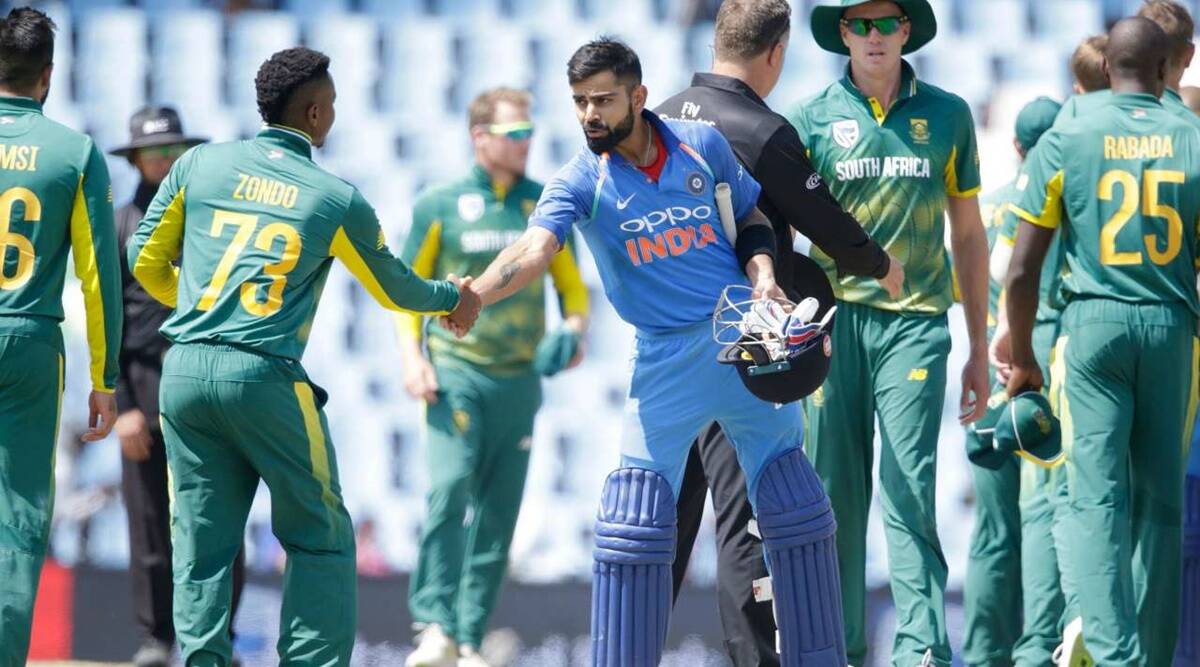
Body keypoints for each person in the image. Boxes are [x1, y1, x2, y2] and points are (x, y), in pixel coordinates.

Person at [458, 37, 847, 667]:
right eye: (580, 102)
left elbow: (750, 218)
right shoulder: (582, 179)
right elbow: (535, 250)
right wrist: (477, 290)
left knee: (793, 505)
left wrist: (765, 273)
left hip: (743, 341)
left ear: (638, 97)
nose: (589, 115)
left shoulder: (703, 146)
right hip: (665, 365)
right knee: (633, 523)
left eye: (603, 101)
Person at [127, 47, 479, 666]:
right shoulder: (333, 196)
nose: (335, 114)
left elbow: (142, 257)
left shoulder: (199, 164)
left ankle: (203, 659)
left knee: (201, 543)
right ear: (315, 113)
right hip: (264, 375)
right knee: (319, 535)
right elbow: (395, 287)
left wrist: (196, 310)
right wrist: (454, 296)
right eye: (334, 104)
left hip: (182, 372)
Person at [654, 1, 901, 664]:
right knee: (743, 525)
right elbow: (827, 222)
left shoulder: (662, 119)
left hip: (666, 347)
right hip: (743, 345)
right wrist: (882, 264)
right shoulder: (761, 130)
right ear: (777, 51)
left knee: (659, 524)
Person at [787, 1, 990, 664]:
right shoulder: (810, 118)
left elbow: (967, 233)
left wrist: (981, 347)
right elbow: (783, 232)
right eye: (859, 25)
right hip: (832, 322)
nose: (873, 38)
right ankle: (834, 646)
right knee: (834, 491)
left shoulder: (950, 114)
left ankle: (920, 648)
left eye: (885, 24)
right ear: (843, 33)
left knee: (907, 482)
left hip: (917, 325)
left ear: (907, 31)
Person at [1006, 18, 1200, 667]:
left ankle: (1112, 652)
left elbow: (1024, 266)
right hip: (1169, 324)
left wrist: (1026, 360)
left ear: (1107, 65)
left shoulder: (1071, 131)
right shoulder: (1194, 135)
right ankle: (1151, 654)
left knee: (1095, 496)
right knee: (1160, 500)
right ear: (1168, 66)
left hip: (1094, 325)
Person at [398, 87, 590, 667]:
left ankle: (470, 638)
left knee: (499, 512)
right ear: (480, 138)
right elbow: (408, 293)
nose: (526, 142)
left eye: (529, 131)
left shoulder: (546, 204)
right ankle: (434, 624)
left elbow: (573, 289)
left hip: (519, 380)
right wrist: (414, 357)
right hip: (456, 372)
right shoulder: (440, 204)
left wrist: (575, 332)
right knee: (449, 488)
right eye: (513, 134)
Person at [0, 7, 122, 664]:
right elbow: (99, 280)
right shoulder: (75, 153)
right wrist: (103, 380)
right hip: (31, 340)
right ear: (48, 76)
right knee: (20, 516)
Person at [109, 105, 248, 667]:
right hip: (144, 380)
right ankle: (157, 638)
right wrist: (122, 405)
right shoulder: (119, 223)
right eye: (152, 152)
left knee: (216, 513)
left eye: (172, 150)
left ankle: (218, 637)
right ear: (136, 159)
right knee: (148, 517)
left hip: (206, 376)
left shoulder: (214, 219)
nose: (163, 161)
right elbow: (108, 320)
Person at [964, 96, 1063, 667]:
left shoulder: (989, 209)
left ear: (1017, 148)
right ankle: (1039, 649)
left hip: (990, 384)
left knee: (995, 530)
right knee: (1048, 513)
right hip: (1048, 371)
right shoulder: (1068, 207)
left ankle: (981, 654)